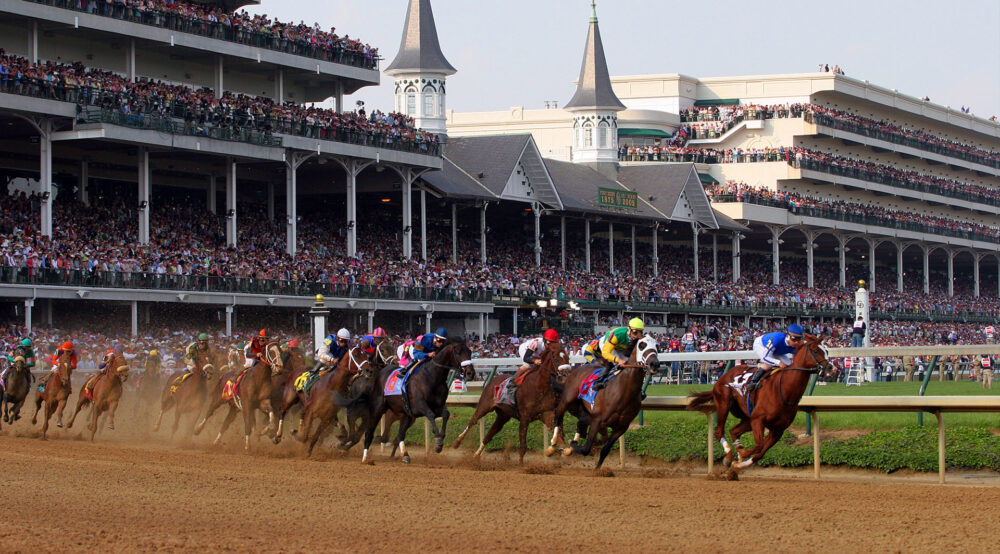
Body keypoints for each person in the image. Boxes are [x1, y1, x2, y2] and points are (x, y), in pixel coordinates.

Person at [747, 324, 804, 393]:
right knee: (768, 365)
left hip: (776, 351)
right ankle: (753, 382)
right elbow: (766, 357)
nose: (796, 342)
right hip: (761, 345)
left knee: (790, 366)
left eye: (799, 339)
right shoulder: (777, 339)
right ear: (787, 336)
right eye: (794, 339)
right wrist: (779, 363)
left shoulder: (798, 345)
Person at [592, 318, 644, 391]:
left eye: (640, 332)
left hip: (619, 347)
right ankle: (597, 382)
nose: (637, 336)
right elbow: (605, 353)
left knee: (628, 362)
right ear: (629, 329)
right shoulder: (618, 335)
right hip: (606, 345)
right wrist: (618, 360)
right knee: (613, 362)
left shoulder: (637, 337)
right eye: (635, 332)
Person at [508, 328, 559, 394]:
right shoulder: (536, 343)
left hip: (537, 354)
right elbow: (526, 358)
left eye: (554, 343)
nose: (551, 346)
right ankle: (512, 380)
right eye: (549, 343)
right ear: (544, 340)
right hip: (526, 350)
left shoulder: (552, 347)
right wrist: (534, 360)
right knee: (528, 365)